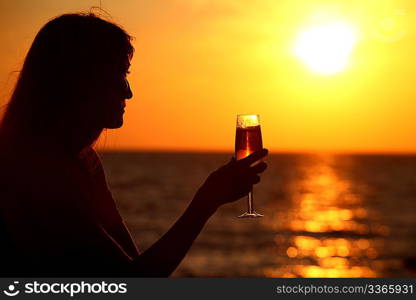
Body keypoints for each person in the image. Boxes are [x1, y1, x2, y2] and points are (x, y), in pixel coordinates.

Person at [0, 13, 268, 277]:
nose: (128, 92)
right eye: (119, 75)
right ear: (80, 81)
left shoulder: (84, 161)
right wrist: (205, 202)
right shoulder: (38, 172)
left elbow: (129, 265)